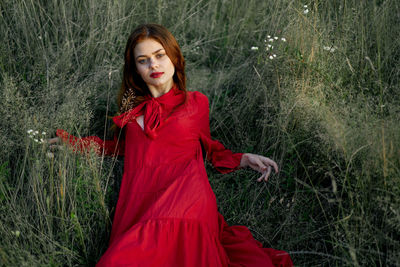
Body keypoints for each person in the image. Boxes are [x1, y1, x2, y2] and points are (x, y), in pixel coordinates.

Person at [52, 23, 293, 266]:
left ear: (174, 58)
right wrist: (74, 144)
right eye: (143, 60)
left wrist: (243, 158)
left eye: (159, 55)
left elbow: (210, 148)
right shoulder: (131, 113)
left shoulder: (195, 103)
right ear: (135, 69)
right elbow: (119, 148)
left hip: (187, 198)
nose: (153, 65)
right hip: (140, 203)